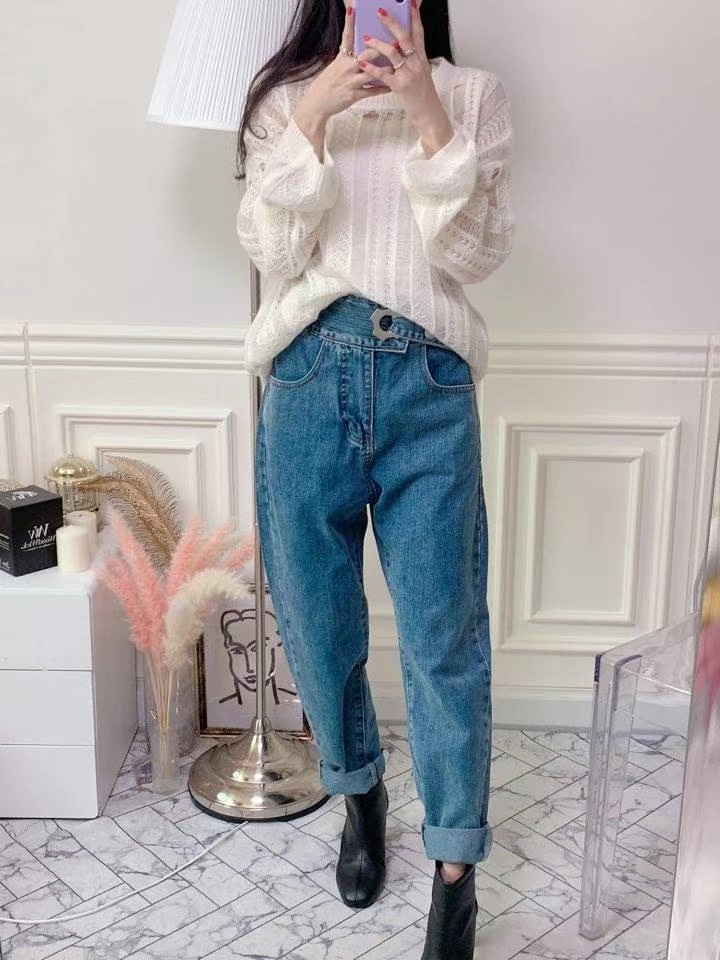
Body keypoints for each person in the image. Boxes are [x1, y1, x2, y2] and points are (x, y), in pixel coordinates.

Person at [235, 1, 514, 956]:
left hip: (428, 383)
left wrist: (429, 113)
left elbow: (476, 255)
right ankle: (359, 794)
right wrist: (315, 112)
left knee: (443, 636)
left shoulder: (473, 96)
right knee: (317, 626)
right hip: (308, 376)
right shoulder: (284, 99)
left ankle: (455, 871)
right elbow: (272, 252)